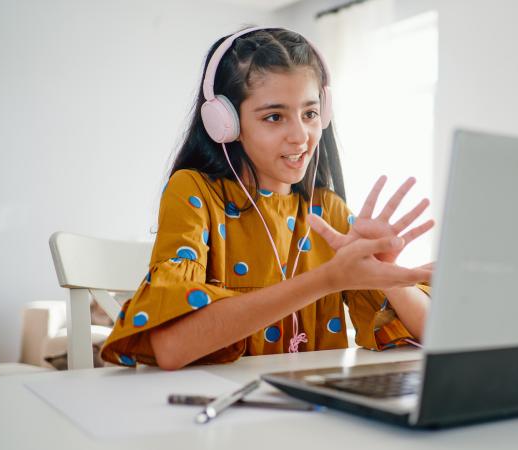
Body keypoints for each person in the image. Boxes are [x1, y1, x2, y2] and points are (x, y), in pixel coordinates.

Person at [100, 27, 434, 370]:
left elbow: (432, 337)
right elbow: (170, 347)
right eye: (274, 117)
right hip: (216, 410)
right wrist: (328, 279)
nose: (300, 136)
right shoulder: (195, 192)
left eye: (310, 113)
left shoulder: (328, 210)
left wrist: (388, 274)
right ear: (225, 123)